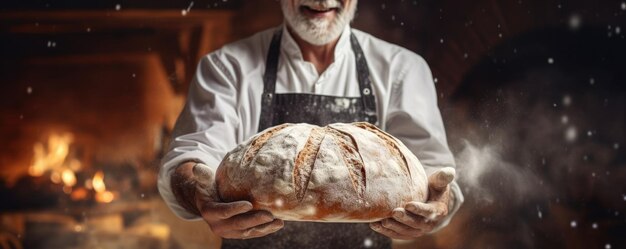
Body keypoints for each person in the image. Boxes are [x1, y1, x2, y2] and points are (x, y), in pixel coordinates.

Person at [158, 0, 464, 248]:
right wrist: (198, 195)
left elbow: (431, 173)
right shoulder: (227, 67)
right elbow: (192, 158)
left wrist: (438, 203)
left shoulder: (402, 69)